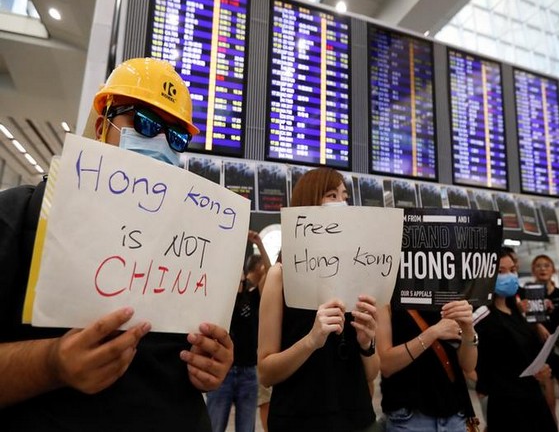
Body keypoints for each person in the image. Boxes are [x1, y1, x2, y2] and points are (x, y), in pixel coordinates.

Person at [0, 58, 234, 430]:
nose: (159, 144)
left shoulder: (192, 248)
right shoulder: (18, 216)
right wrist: (52, 362)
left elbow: (199, 353)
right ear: (101, 125)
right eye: (143, 122)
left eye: (175, 136)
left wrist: (214, 361)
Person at [257, 167, 379, 432]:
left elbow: (371, 373)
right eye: (331, 195)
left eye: (344, 196)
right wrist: (311, 341)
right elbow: (265, 372)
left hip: (357, 420)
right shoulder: (280, 275)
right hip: (298, 420)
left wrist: (367, 343)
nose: (342, 204)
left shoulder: (361, 273)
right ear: (309, 204)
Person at [475, 247, 557, 432]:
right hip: (506, 405)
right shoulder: (482, 316)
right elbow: (477, 365)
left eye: (512, 270)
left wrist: (541, 369)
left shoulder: (518, 312)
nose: (509, 276)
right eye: (500, 271)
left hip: (534, 398)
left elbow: (530, 352)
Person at [377, 292, 478, 429]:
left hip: (454, 413)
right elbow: (386, 365)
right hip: (410, 415)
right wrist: (433, 333)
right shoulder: (387, 298)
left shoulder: (449, 293)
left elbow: (468, 365)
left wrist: (468, 330)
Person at [207, 230, 271, 432]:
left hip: (248, 373)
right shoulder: (218, 299)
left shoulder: (252, 297)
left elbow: (270, 274)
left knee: (246, 428)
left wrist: (259, 244)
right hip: (221, 372)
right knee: (214, 425)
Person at [526, 254, 559, 432]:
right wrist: (537, 326)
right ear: (533, 270)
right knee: (548, 404)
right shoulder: (526, 294)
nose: (543, 269)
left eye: (546, 265)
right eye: (539, 266)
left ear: (553, 270)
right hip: (541, 353)